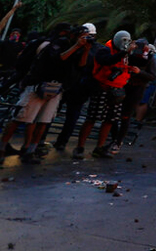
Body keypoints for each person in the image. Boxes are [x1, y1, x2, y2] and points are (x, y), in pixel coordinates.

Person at [0, 24, 91, 163]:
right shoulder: (53, 45)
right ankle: (3, 147)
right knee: (20, 117)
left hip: (56, 88)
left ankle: (30, 149)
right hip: (36, 85)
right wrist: (77, 46)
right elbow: (58, 59)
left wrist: (85, 49)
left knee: (43, 120)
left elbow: (80, 66)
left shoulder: (76, 47)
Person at [75, 30, 138, 159]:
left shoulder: (125, 54)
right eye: (123, 41)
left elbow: (126, 63)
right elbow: (108, 61)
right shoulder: (105, 50)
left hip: (117, 89)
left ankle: (100, 147)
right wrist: (125, 52)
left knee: (110, 120)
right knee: (92, 118)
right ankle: (80, 147)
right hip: (102, 87)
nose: (125, 43)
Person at [53, 23, 97, 151]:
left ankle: (62, 141)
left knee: (71, 116)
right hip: (66, 83)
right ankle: (44, 140)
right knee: (55, 112)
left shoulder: (94, 49)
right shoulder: (67, 44)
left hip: (80, 86)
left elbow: (83, 65)